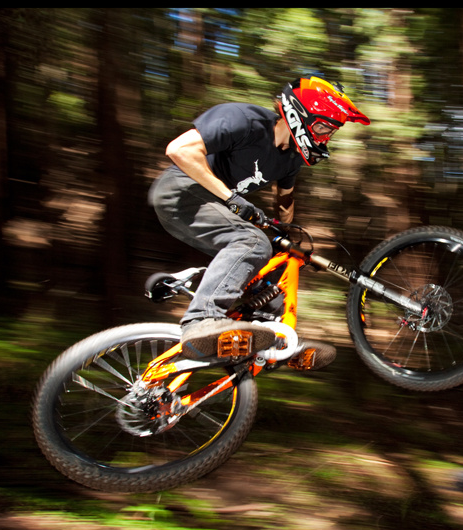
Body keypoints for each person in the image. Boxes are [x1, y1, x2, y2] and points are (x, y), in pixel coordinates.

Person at [149, 76, 370, 360]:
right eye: (323, 127)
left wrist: (286, 235)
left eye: (331, 132)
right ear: (300, 113)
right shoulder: (244, 120)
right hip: (180, 192)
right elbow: (179, 150)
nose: (326, 138)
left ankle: (272, 345)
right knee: (252, 243)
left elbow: (285, 199)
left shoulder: (290, 158)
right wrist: (231, 198)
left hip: (214, 205)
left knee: (268, 277)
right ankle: (201, 319)